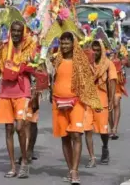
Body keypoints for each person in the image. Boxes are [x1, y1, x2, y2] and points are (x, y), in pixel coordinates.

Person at [52, 31, 102, 184]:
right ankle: (70, 169)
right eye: (62, 43)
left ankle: (75, 171)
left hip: (76, 103)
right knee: (65, 138)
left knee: (76, 135)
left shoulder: (80, 61)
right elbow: (52, 79)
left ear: (73, 44)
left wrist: (94, 102)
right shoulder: (56, 60)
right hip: (58, 103)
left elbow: (88, 82)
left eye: (67, 43)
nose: (65, 46)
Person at [0, 20, 36, 178]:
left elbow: (35, 65)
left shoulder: (29, 48)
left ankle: (24, 161)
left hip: (22, 91)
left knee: (20, 127)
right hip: (5, 91)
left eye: (19, 30)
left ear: (23, 32)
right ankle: (12, 166)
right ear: (10, 31)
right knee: (9, 129)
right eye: (14, 30)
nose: (16, 33)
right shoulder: (4, 48)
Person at [84, 40, 116, 168]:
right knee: (87, 129)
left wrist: (111, 100)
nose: (95, 52)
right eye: (93, 50)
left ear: (102, 50)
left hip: (102, 101)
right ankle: (92, 157)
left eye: (98, 50)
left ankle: (105, 147)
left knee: (103, 131)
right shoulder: (86, 63)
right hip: (87, 100)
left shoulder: (108, 64)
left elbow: (112, 81)